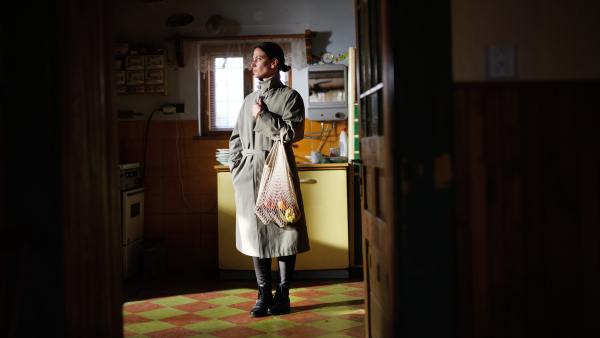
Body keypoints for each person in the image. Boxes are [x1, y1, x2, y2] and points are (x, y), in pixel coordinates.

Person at [228, 42, 310, 317]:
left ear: (274, 63)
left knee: (285, 231)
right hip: (248, 175)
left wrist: (263, 115)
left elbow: (291, 134)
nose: (253, 64)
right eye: (252, 59)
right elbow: (236, 139)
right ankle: (263, 293)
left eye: (258, 59)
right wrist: (236, 168)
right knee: (256, 236)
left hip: (277, 172)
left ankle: (283, 294)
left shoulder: (290, 97)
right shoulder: (248, 100)